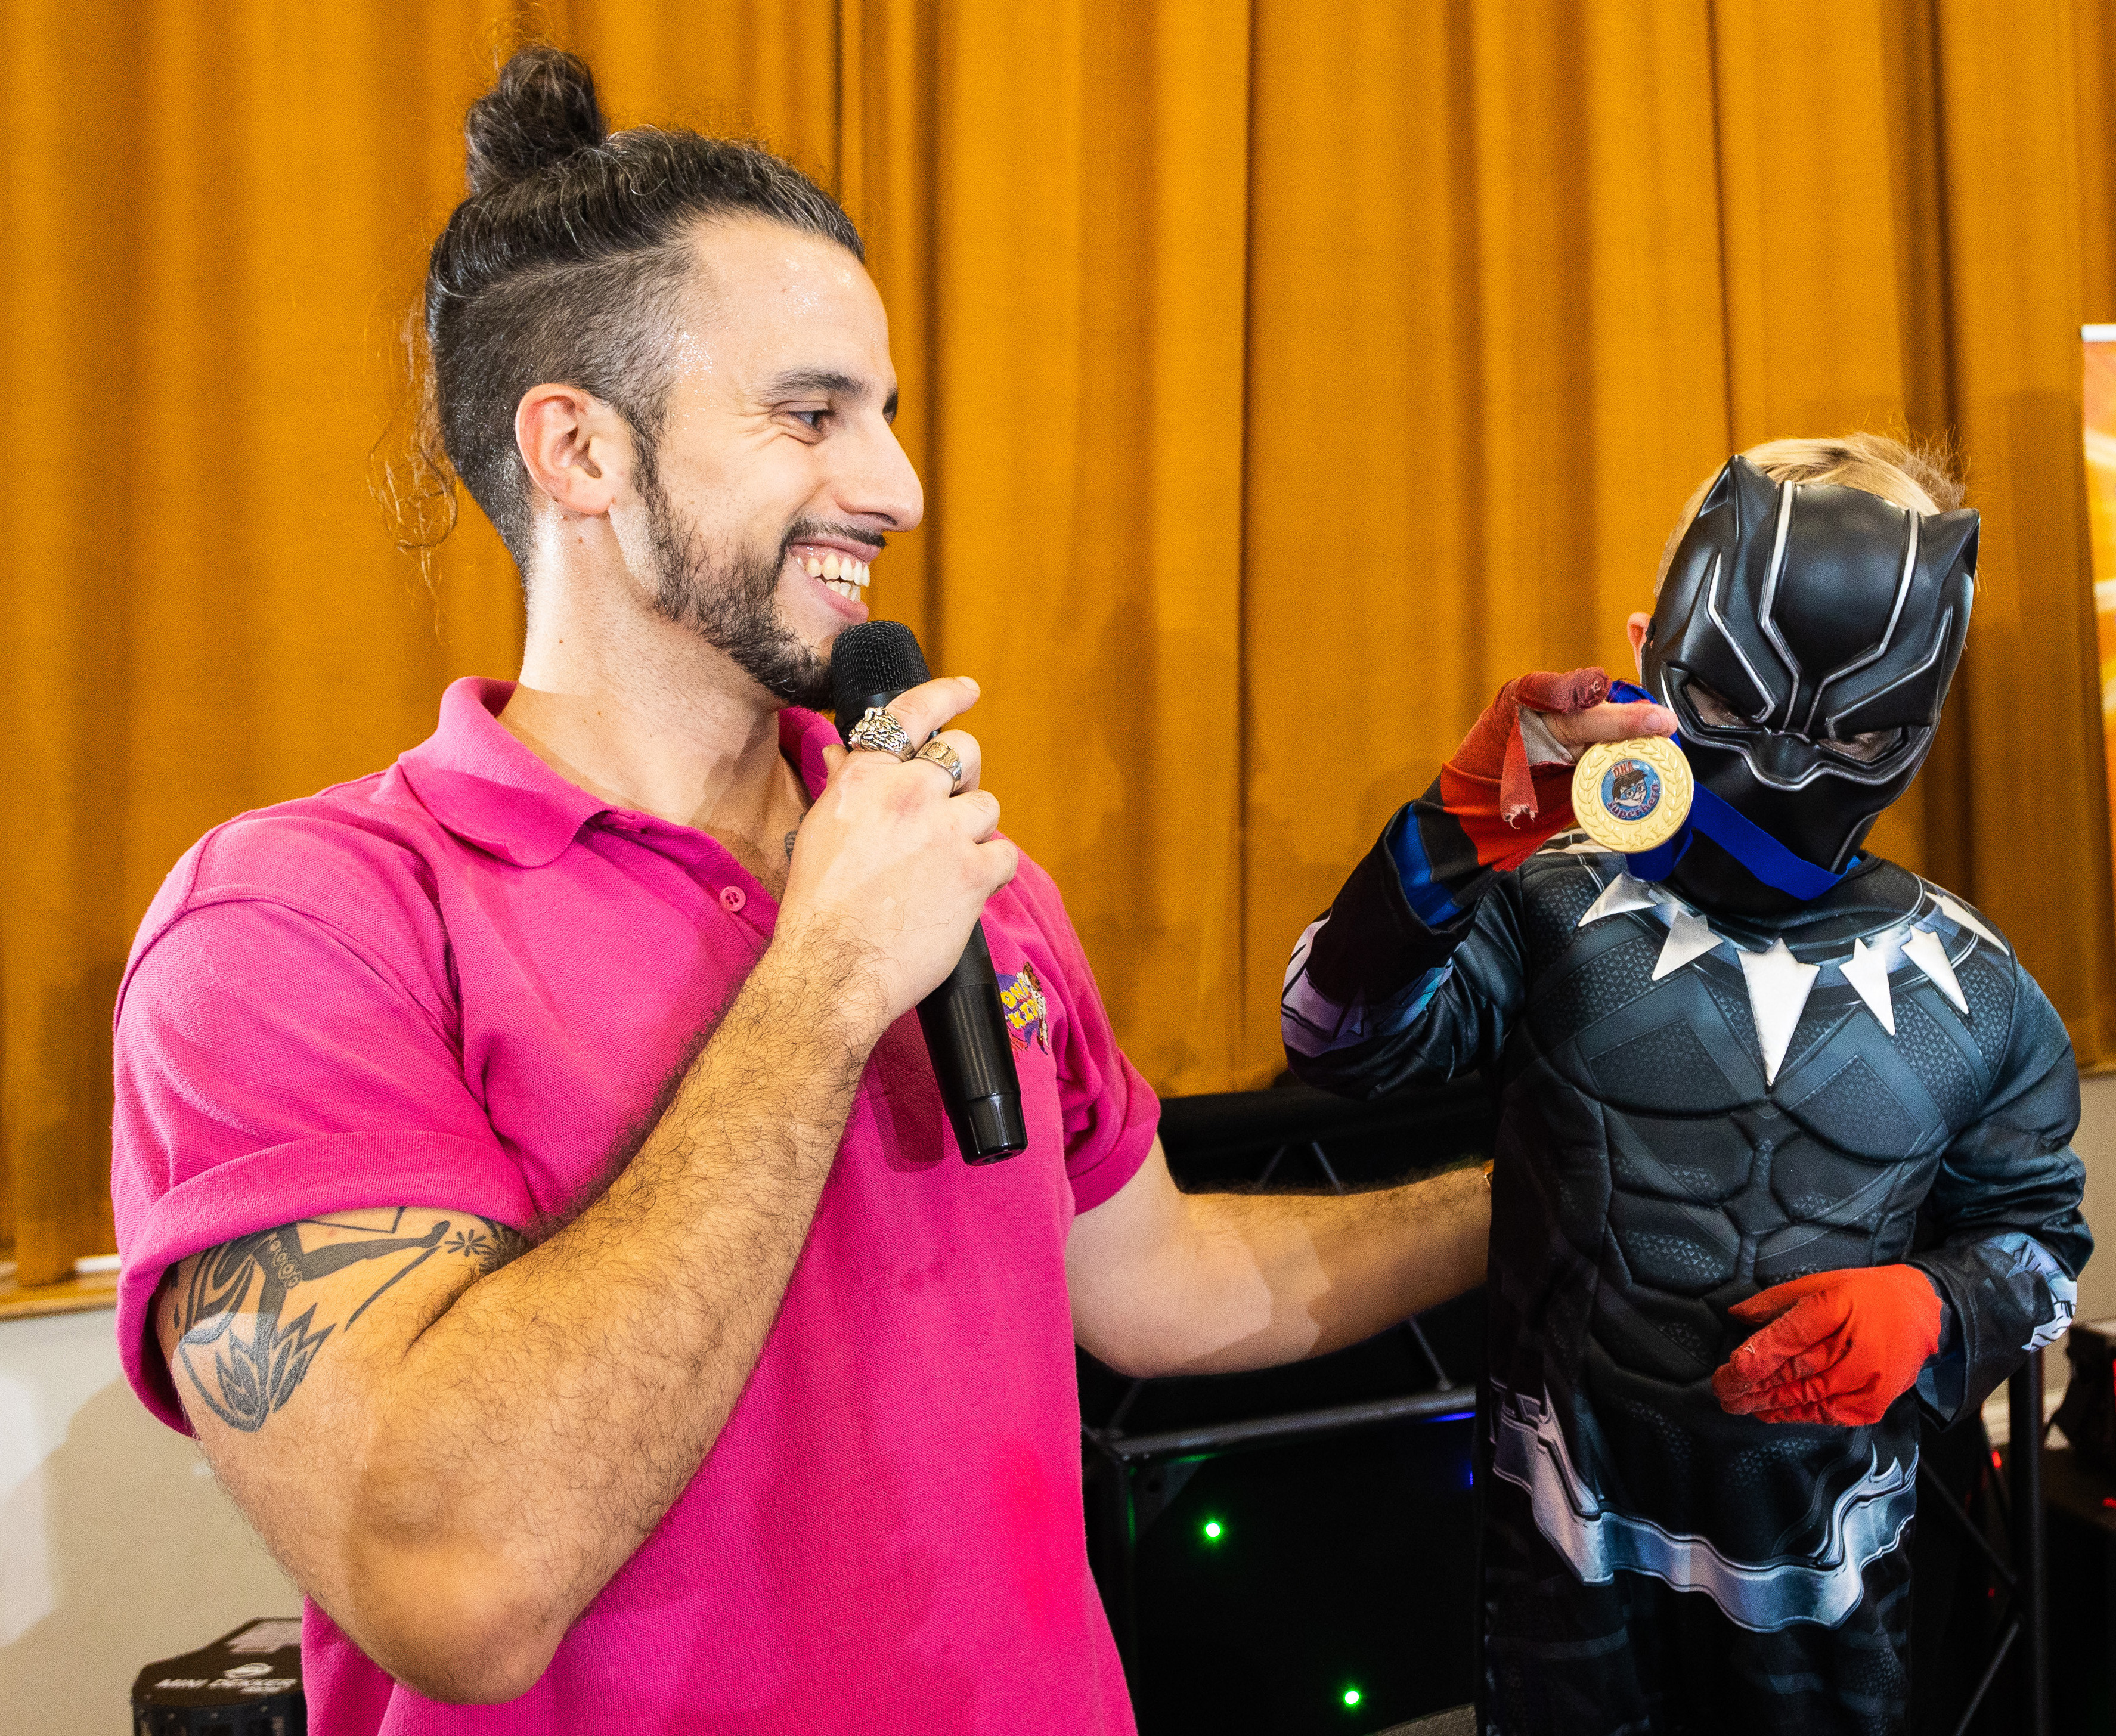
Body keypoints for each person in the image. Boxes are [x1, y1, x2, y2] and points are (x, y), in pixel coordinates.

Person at [109, 47, 1528, 1731]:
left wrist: (1554, 1193)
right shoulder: (294, 928)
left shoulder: (949, 868)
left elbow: (1167, 1288)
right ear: (578, 450)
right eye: (810, 414)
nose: (898, 489)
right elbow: (461, 1582)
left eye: (889, 415)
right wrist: (822, 982)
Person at [1282, 435, 2090, 1734]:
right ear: (1652, 642)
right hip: (1565, 1565)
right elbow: (1337, 1040)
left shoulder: (1977, 989)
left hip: (1826, 1589)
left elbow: (2043, 1247)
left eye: (1861, 727)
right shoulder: (1550, 905)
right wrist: (1448, 840)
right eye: (1732, 706)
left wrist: (1939, 1309)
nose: (1780, 768)